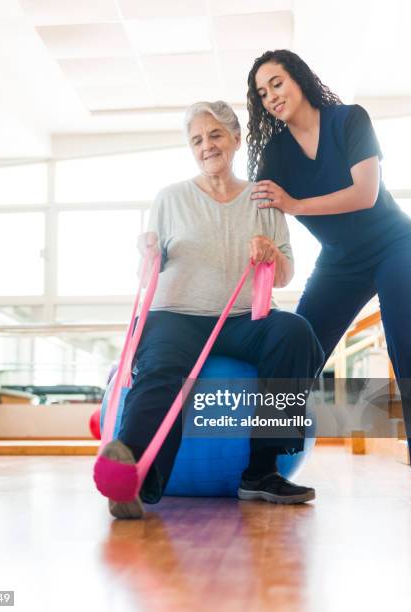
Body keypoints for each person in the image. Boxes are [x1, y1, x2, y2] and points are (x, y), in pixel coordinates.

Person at [102, 100, 324, 519]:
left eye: (216, 135)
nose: (207, 146)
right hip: (177, 314)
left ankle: (261, 472)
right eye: (197, 140)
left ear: (236, 139)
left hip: (241, 318)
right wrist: (147, 252)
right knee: (161, 369)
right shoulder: (169, 198)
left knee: (294, 332)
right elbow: (149, 270)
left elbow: (284, 276)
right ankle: (132, 474)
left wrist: (271, 253)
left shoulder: (264, 197)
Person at [246, 49, 411, 498]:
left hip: (396, 246)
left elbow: (365, 193)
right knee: (298, 346)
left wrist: (295, 206)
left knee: (405, 341)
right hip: (339, 261)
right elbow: (254, 210)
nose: (271, 96)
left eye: (277, 83)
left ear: (299, 79)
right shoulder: (276, 153)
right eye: (261, 92)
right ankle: (259, 471)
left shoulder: (349, 120)